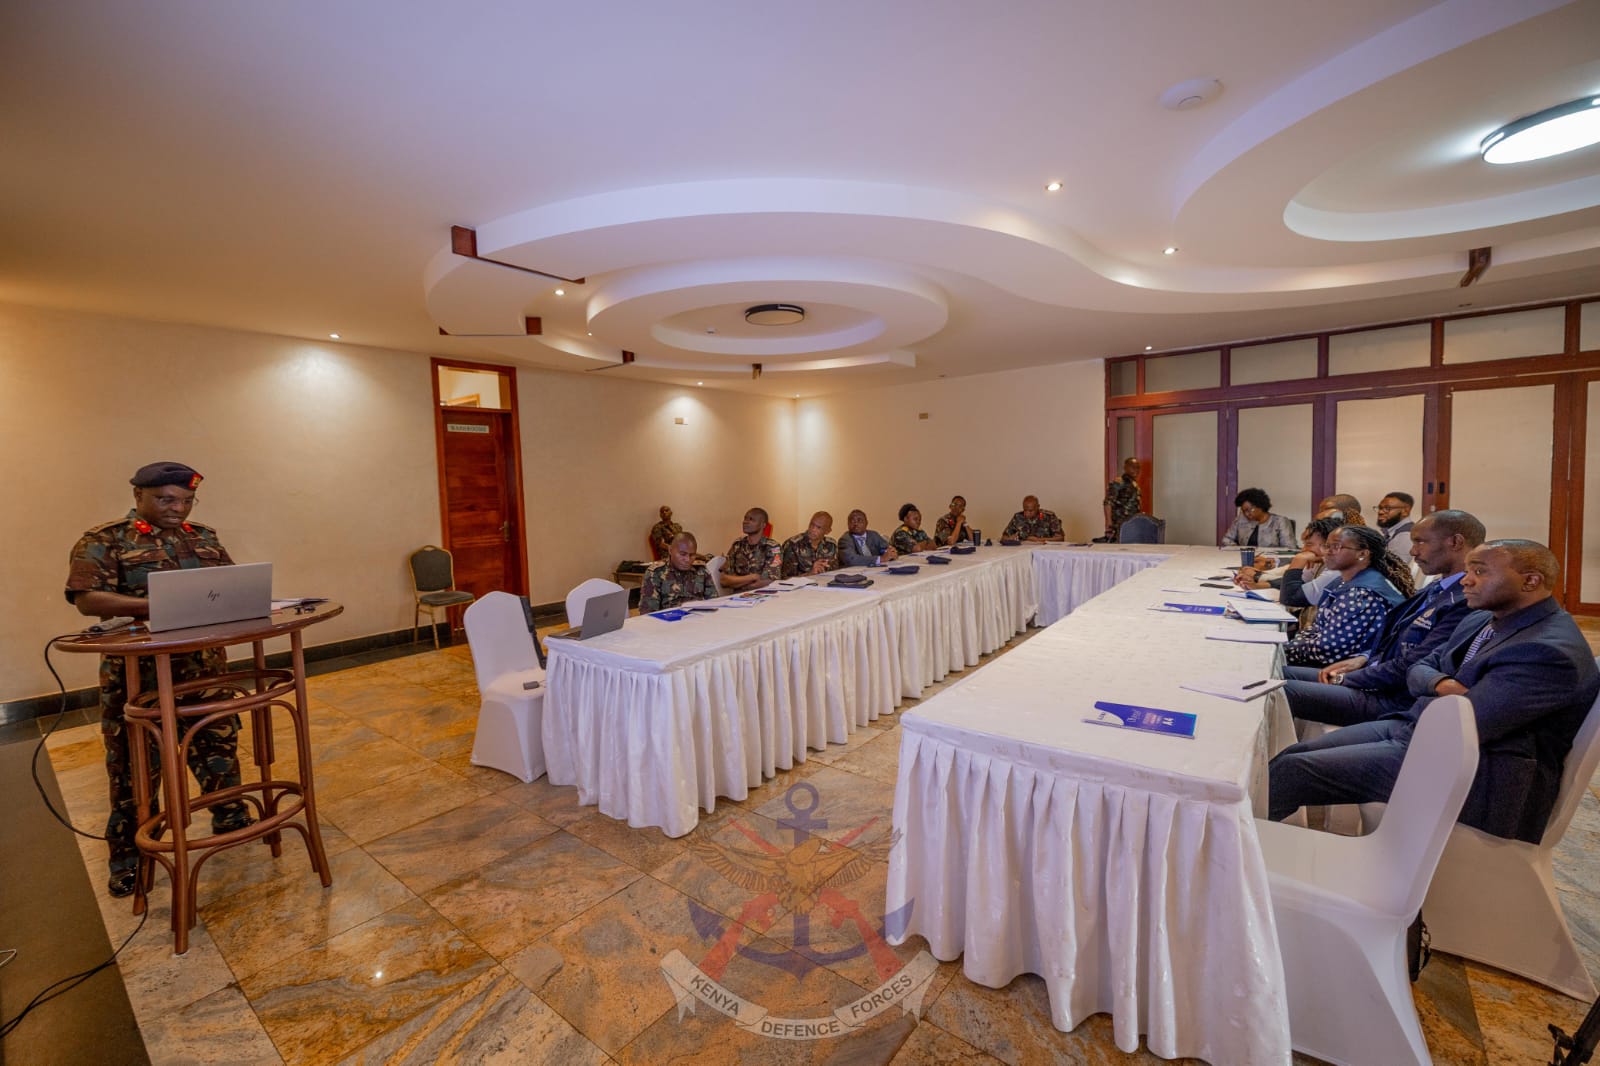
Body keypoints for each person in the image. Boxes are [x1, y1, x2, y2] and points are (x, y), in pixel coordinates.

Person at [1270, 540, 1600, 844]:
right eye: (1468, 570)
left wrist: (1431, 681)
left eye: (1480, 572)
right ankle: (1255, 850)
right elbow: (1420, 666)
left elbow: (1467, 722)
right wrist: (1441, 684)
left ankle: (1245, 866)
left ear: (1530, 581)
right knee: (1292, 756)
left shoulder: (1547, 650)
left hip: (1474, 769)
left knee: (1294, 772)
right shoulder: (1484, 618)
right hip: (1417, 727)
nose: (1466, 580)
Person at [65, 461, 253, 898]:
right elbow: (87, 599)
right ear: (138, 496)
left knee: (218, 744)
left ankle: (230, 817)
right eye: (166, 499)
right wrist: (156, 606)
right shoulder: (105, 539)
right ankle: (130, 855)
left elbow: (230, 583)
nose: (178, 508)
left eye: (186, 501)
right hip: (139, 676)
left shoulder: (202, 536)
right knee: (135, 767)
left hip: (204, 669)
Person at [1281, 511, 1484, 727]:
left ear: (1455, 542)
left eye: (1420, 542)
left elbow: (1414, 663)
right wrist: (1364, 658)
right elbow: (1395, 639)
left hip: (1392, 697)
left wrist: (1349, 678)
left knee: (1277, 690)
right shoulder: (1438, 587)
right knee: (1274, 674)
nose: (1413, 551)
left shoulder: (1464, 601)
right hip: (1376, 674)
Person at [1282, 524, 1411, 666]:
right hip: (1329, 659)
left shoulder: (1361, 594)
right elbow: (1318, 628)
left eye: (1336, 546)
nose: (1328, 552)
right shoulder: (1343, 580)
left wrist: (1285, 651)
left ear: (1362, 554)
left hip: (1350, 669)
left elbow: (1329, 650)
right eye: (1327, 546)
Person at [640, 532, 717, 611]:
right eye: (682, 554)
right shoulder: (656, 573)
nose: (687, 559)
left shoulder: (701, 569)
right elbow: (648, 612)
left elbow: (714, 602)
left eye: (692, 555)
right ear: (670, 550)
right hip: (669, 617)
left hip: (699, 616)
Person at [719, 507, 781, 592]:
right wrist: (752, 577)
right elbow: (723, 580)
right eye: (745, 518)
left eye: (751, 519)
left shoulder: (772, 547)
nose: (745, 522)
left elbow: (769, 581)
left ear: (763, 525)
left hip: (763, 595)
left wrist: (736, 582)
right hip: (737, 597)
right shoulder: (738, 545)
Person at [1221, 488, 1296, 549]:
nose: (1246, 514)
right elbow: (1226, 539)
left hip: (1271, 559)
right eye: (1243, 511)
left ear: (1260, 506)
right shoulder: (1240, 520)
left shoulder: (1280, 522)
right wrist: (1236, 548)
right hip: (1245, 557)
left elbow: (1290, 547)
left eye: (1249, 510)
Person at [781, 511, 838, 577]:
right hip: (802, 583)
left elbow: (835, 572)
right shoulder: (793, 545)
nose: (813, 529)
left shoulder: (831, 545)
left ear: (827, 531)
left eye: (818, 527)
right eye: (812, 524)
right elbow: (784, 579)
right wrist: (810, 573)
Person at [1101, 458, 1142, 542]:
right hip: (1119, 524)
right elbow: (1108, 502)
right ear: (1125, 468)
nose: (1136, 470)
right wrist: (1108, 523)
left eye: (1138, 467)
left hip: (1132, 523)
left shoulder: (1134, 484)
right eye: (1132, 467)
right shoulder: (1119, 482)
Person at [1376, 492, 1416, 559]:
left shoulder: (1405, 535)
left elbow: (1396, 565)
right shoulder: (1392, 531)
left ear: (1405, 511)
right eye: (1380, 508)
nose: (1380, 512)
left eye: (1387, 508)